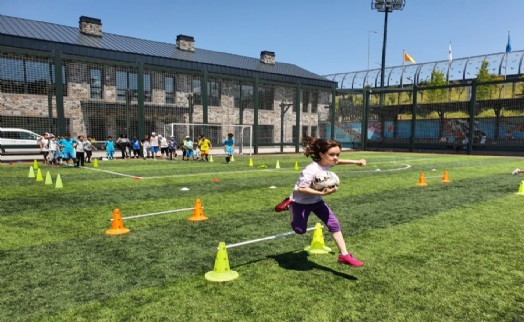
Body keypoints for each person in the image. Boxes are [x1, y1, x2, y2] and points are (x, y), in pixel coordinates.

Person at [288, 136, 366, 267]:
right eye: (332, 154)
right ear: (321, 154)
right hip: (300, 202)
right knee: (299, 230)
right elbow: (302, 189)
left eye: (337, 154)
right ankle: (289, 205)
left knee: (334, 224)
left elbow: (337, 162)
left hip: (317, 202)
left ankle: (344, 255)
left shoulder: (328, 162)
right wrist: (322, 192)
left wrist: (356, 161)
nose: (335, 157)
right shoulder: (311, 170)